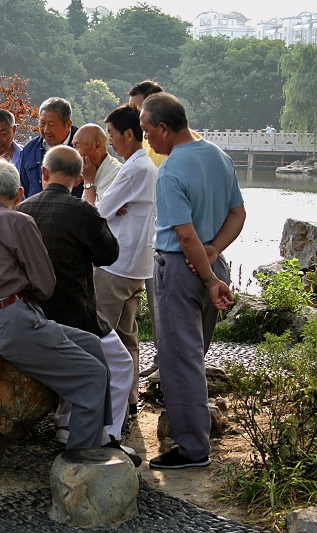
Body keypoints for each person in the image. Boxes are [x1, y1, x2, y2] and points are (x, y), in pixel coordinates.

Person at [0, 158, 112, 451]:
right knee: (92, 376)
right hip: (12, 323)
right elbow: (45, 284)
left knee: (91, 343)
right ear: (19, 194)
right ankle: (82, 460)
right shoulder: (18, 221)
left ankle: (100, 434)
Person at [140, 92, 245, 469]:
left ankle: (192, 449)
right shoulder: (218, 156)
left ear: (164, 128)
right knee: (193, 355)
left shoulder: (171, 170)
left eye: (147, 130)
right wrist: (214, 251)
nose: (146, 138)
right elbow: (238, 213)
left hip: (183, 271)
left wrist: (206, 276)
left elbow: (184, 236)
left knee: (179, 359)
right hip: (212, 266)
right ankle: (193, 437)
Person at [16, 146, 136, 453]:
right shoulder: (82, 211)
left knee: (76, 361)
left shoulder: (23, 210)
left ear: (43, 174)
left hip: (32, 312)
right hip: (75, 311)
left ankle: (66, 424)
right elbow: (109, 254)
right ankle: (108, 434)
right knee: (121, 365)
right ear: (80, 177)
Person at [127, 80, 203, 382]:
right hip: (152, 238)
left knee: (177, 312)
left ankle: (177, 371)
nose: (135, 116)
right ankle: (165, 363)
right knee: (159, 307)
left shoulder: (188, 148)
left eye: (137, 109)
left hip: (178, 244)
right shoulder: (147, 144)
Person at [92, 105, 157, 419]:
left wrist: (92, 185)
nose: (111, 143)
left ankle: (106, 403)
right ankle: (130, 399)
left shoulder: (133, 168)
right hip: (138, 264)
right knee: (128, 336)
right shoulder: (147, 167)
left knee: (101, 334)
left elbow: (99, 211)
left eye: (113, 136)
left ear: (129, 135)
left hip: (116, 265)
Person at [19, 97, 81, 199]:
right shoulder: (30, 149)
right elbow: (25, 185)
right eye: (42, 123)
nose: (46, 130)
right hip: (35, 211)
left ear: (68, 124)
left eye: (52, 125)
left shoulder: (81, 146)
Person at [72, 123, 123, 203]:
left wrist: (88, 181)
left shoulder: (116, 174)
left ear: (97, 145)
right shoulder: (87, 171)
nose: (75, 154)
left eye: (77, 147)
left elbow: (93, 213)